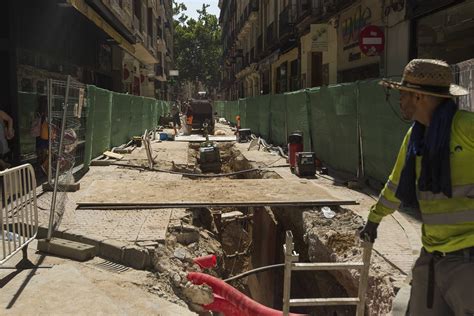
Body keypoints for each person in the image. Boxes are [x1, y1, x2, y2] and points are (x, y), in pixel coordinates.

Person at [359, 59, 474, 314]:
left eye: (403, 94)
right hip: (432, 257)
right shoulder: (415, 137)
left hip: (468, 260)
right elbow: (395, 184)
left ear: (419, 96)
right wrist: (374, 220)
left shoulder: (466, 128)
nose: (399, 100)